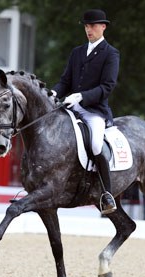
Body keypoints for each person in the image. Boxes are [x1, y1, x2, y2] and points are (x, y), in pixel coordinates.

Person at [52, 9, 120, 214]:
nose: (88, 30)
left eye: (92, 26)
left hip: (94, 110)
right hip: (71, 106)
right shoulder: (77, 52)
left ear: (103, 27)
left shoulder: (111, 53)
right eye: (86, 26)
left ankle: (107, 194)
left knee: (96, 145)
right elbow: (65, 80)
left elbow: (107, 86)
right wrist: (54, 93)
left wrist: (82, 97)